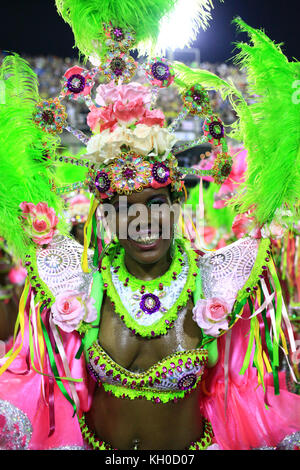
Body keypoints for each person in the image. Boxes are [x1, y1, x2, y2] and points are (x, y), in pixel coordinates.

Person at [0, 2, 299, 451]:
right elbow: (36, 380)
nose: (142, 222)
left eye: (155, 203)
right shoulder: (80, 285)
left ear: (177, 204)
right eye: (122, 207)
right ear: (105, 219)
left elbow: (242, 386)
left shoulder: (215, 281)